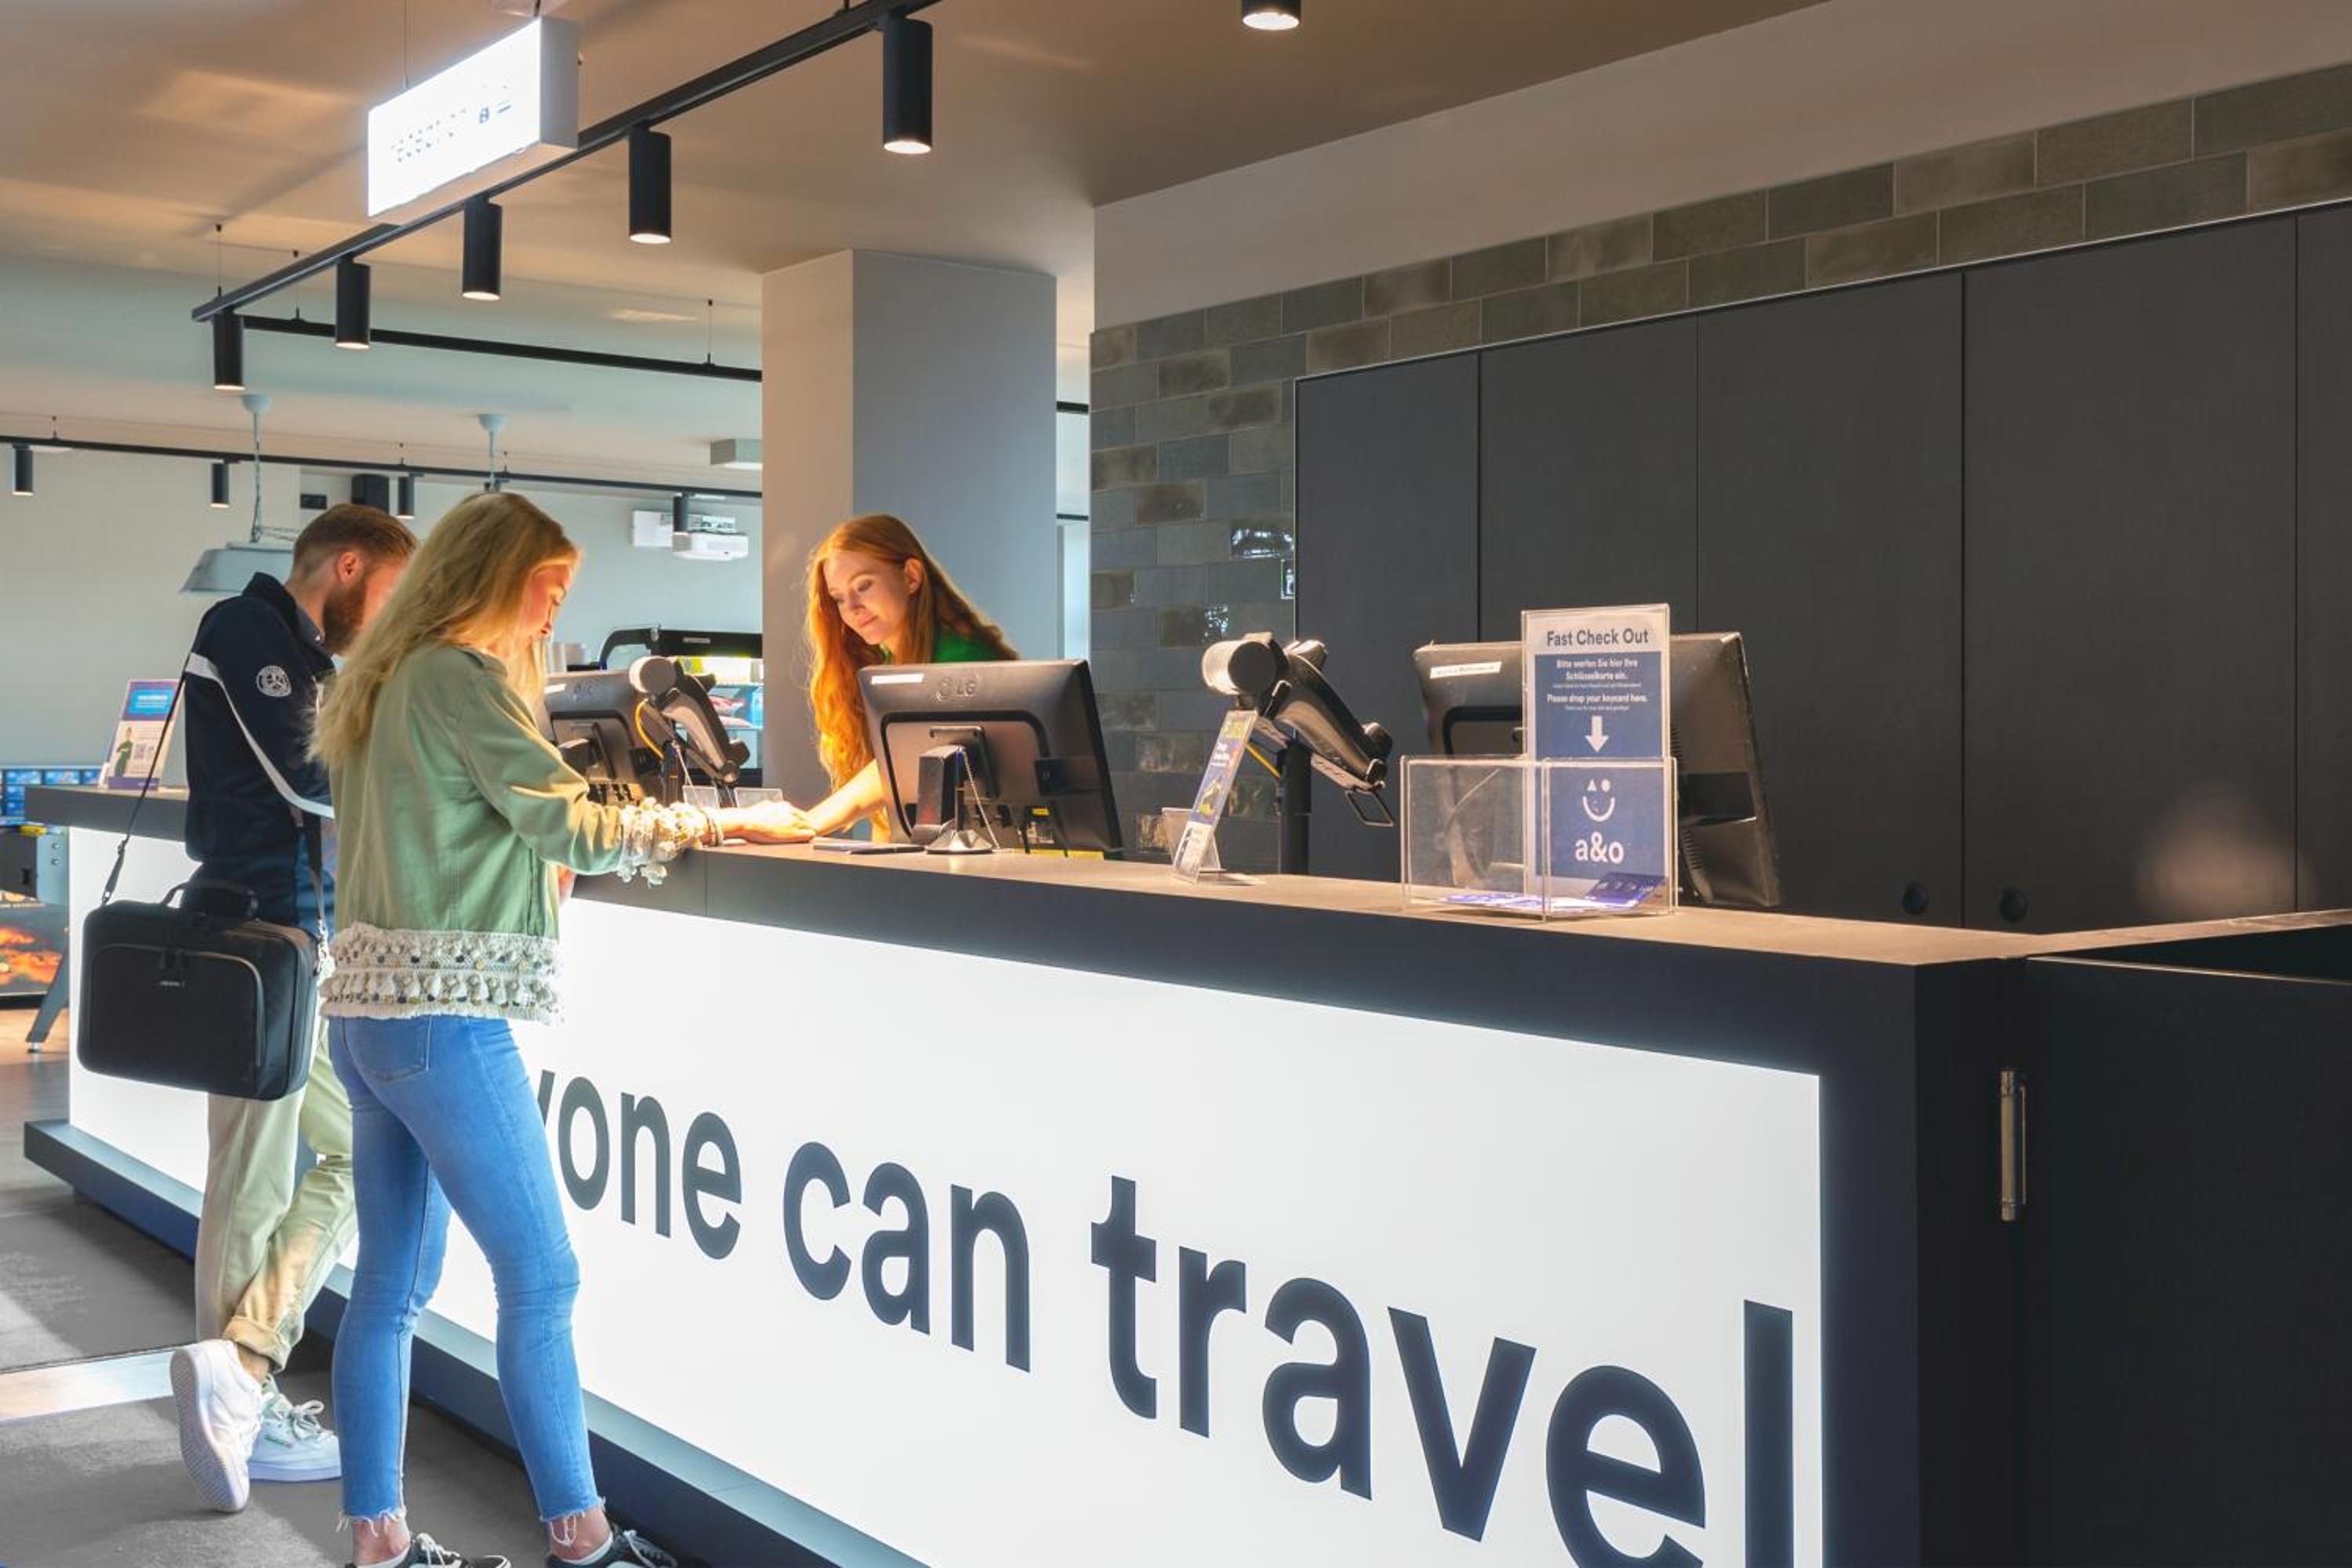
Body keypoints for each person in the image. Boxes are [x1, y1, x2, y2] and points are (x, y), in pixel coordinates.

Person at [309, 492, 800, 1568]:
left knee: (388, 1288)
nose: (554, 612)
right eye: (549, 588)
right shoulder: (457, 675)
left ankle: (380, 1541)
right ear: (495, 574)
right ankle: (583, 1540)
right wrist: (717, 820)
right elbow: (565, 821)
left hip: (369, 1016)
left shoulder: (381, 678)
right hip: (445, 1019)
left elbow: (457, 830)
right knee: (542, 1279)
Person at [171, 503, 417, 1514]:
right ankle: (238, 1401)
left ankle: (241, 1360)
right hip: (259, 937)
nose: (391, 615)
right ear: (348, 565)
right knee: (253, 1172)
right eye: (391, 592)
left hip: (302, 943)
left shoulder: (312, 655)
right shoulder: (244, 627)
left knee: (362, 1146)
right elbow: (314, 779)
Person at [791, 513, 1017, 838]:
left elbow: (903, 758)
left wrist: (806, 824)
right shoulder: (888, 665)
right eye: (838, 597)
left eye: (863, 586)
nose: (851, 607)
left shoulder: (963, 660)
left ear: (911, 576)